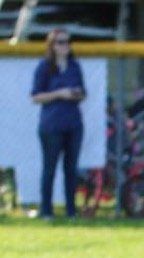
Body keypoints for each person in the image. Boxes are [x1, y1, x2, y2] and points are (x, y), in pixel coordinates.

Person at [30, 27, 86, 220]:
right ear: (52, 46)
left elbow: (83, 92)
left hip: (73, 124)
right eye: (61, 42)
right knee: (50, 168)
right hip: (51, 126)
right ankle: (47, 210)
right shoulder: (44, 67)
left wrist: (76, 94)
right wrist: (59, 94)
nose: (65, 46)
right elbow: (35, 96)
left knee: (71, 169)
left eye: (68, 42)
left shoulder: (74, 66)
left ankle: (71, 210)